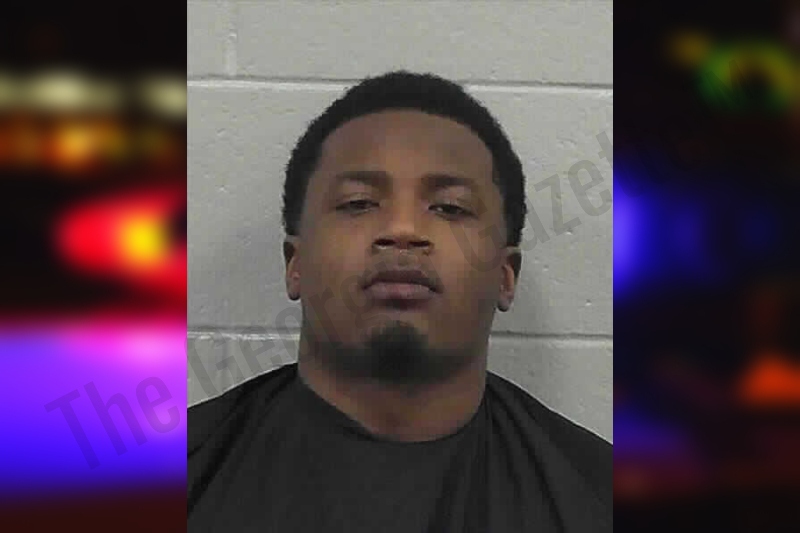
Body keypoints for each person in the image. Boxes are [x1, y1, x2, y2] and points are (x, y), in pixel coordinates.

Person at [188, 71, 611, 532]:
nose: (403, 230)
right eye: (358, 203)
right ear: (296, 264)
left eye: (450, 207)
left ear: (505, 276)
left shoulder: (596, 497)